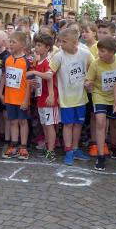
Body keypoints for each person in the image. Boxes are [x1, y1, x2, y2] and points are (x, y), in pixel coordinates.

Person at [51, 27, 92, 165]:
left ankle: (75, 148)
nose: (61, 44)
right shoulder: (59, 56)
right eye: (60, 41)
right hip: (65, 99)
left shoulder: (85, 53)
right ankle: (68, 150)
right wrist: (53, 92)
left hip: (81, 97)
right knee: (68, 125)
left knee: (78, 124)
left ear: (75, 42)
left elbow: (93, 66)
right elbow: (50, 73)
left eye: (64, 41)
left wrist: (89, 80)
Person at [85, 37, 116, 171]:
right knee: (100, 122)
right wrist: (88, 84)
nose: (99, 54)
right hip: (99, 96)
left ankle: (114, 147)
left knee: (114, 124)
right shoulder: (95, 64)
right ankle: (101, 155)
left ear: (112, 52)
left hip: (115, 98)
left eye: (102, 51)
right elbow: (88, 80)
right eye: (99, 51)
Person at [0, 31, 32, 160]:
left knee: (22, 122)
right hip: (9, 97)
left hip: (21, 98)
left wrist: (26, 100)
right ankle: (13, 145)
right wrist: (1, 93)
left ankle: (23, 147)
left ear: (22, 45)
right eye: (10, 42)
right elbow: (4, 76)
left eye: (14, 42)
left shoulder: (27, 61)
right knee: (12, 121)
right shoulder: (7, 59)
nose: (11, 44)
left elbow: (29, 83)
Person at [28, 33, 58, 162]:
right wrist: (34, 84)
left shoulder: (48, 61)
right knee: (44, 125)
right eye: (36, 44)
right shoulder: (38, 61)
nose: (36, 47)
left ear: (47, 47)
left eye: (39, 45)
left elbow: (49, 76)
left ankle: (51, 151)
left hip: (48, 99)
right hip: (40, 97)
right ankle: (47, 147)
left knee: (49, 125)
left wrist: (51, 95)